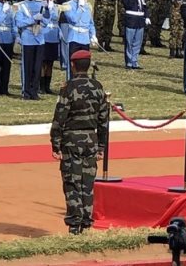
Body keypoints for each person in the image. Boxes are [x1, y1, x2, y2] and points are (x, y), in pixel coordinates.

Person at [50, 50, 110, 235]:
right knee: (87, 183)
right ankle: (86, 222)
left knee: (72, 182)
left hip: (71, 140)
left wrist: (55, 144)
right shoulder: (98, 87)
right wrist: (101, 146)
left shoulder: (68, 88)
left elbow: (59, 118)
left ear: (73, 65)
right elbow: (104, 121)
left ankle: (75, 225)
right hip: (90, 140)